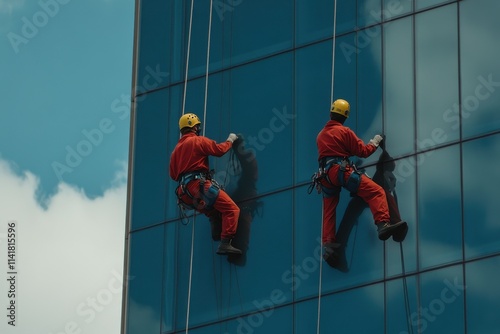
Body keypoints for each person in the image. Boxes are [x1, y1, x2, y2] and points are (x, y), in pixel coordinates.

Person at [316, 99, 406, 261]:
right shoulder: (344, 132)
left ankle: (328, 247)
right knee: (376, 192)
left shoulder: (321, 135)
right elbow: (363, 152)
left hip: (326, 176)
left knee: (329, 212)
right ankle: (382, 225)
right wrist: (376, 141)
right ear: (345, 117)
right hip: (341, 171)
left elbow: (331, 151)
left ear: (331, 113)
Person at [169, 113, 241, 255]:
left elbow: (173, 175)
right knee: (232, 210)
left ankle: (216, 231)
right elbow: (219, 150)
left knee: (212, 211)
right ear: (195, 127)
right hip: (199, 186)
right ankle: (225, 242)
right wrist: (230, 140)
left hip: (185, 194)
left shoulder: (175, 151)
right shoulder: (197, 141)